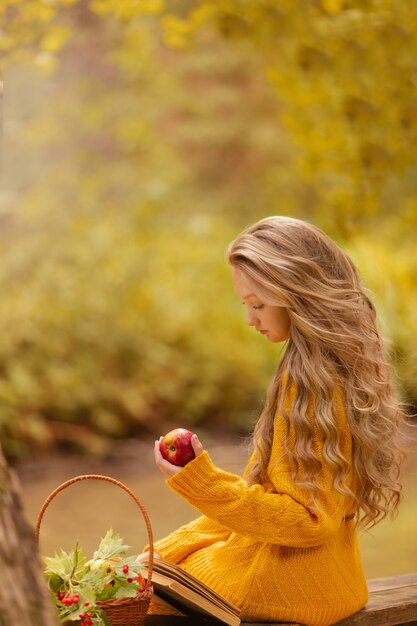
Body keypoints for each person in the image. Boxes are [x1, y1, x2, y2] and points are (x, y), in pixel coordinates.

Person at [141, 216, 406, 625]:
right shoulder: (339, 365)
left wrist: (202, 482)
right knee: (159, 562)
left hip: (291, 584)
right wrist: (171, 542)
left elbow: (308, 520)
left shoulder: (310, 383)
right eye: (246, 304)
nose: (250, 319)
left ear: (299, 294)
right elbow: (281, 499)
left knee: (146, 596)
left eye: (258, 304)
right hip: (334, 578)